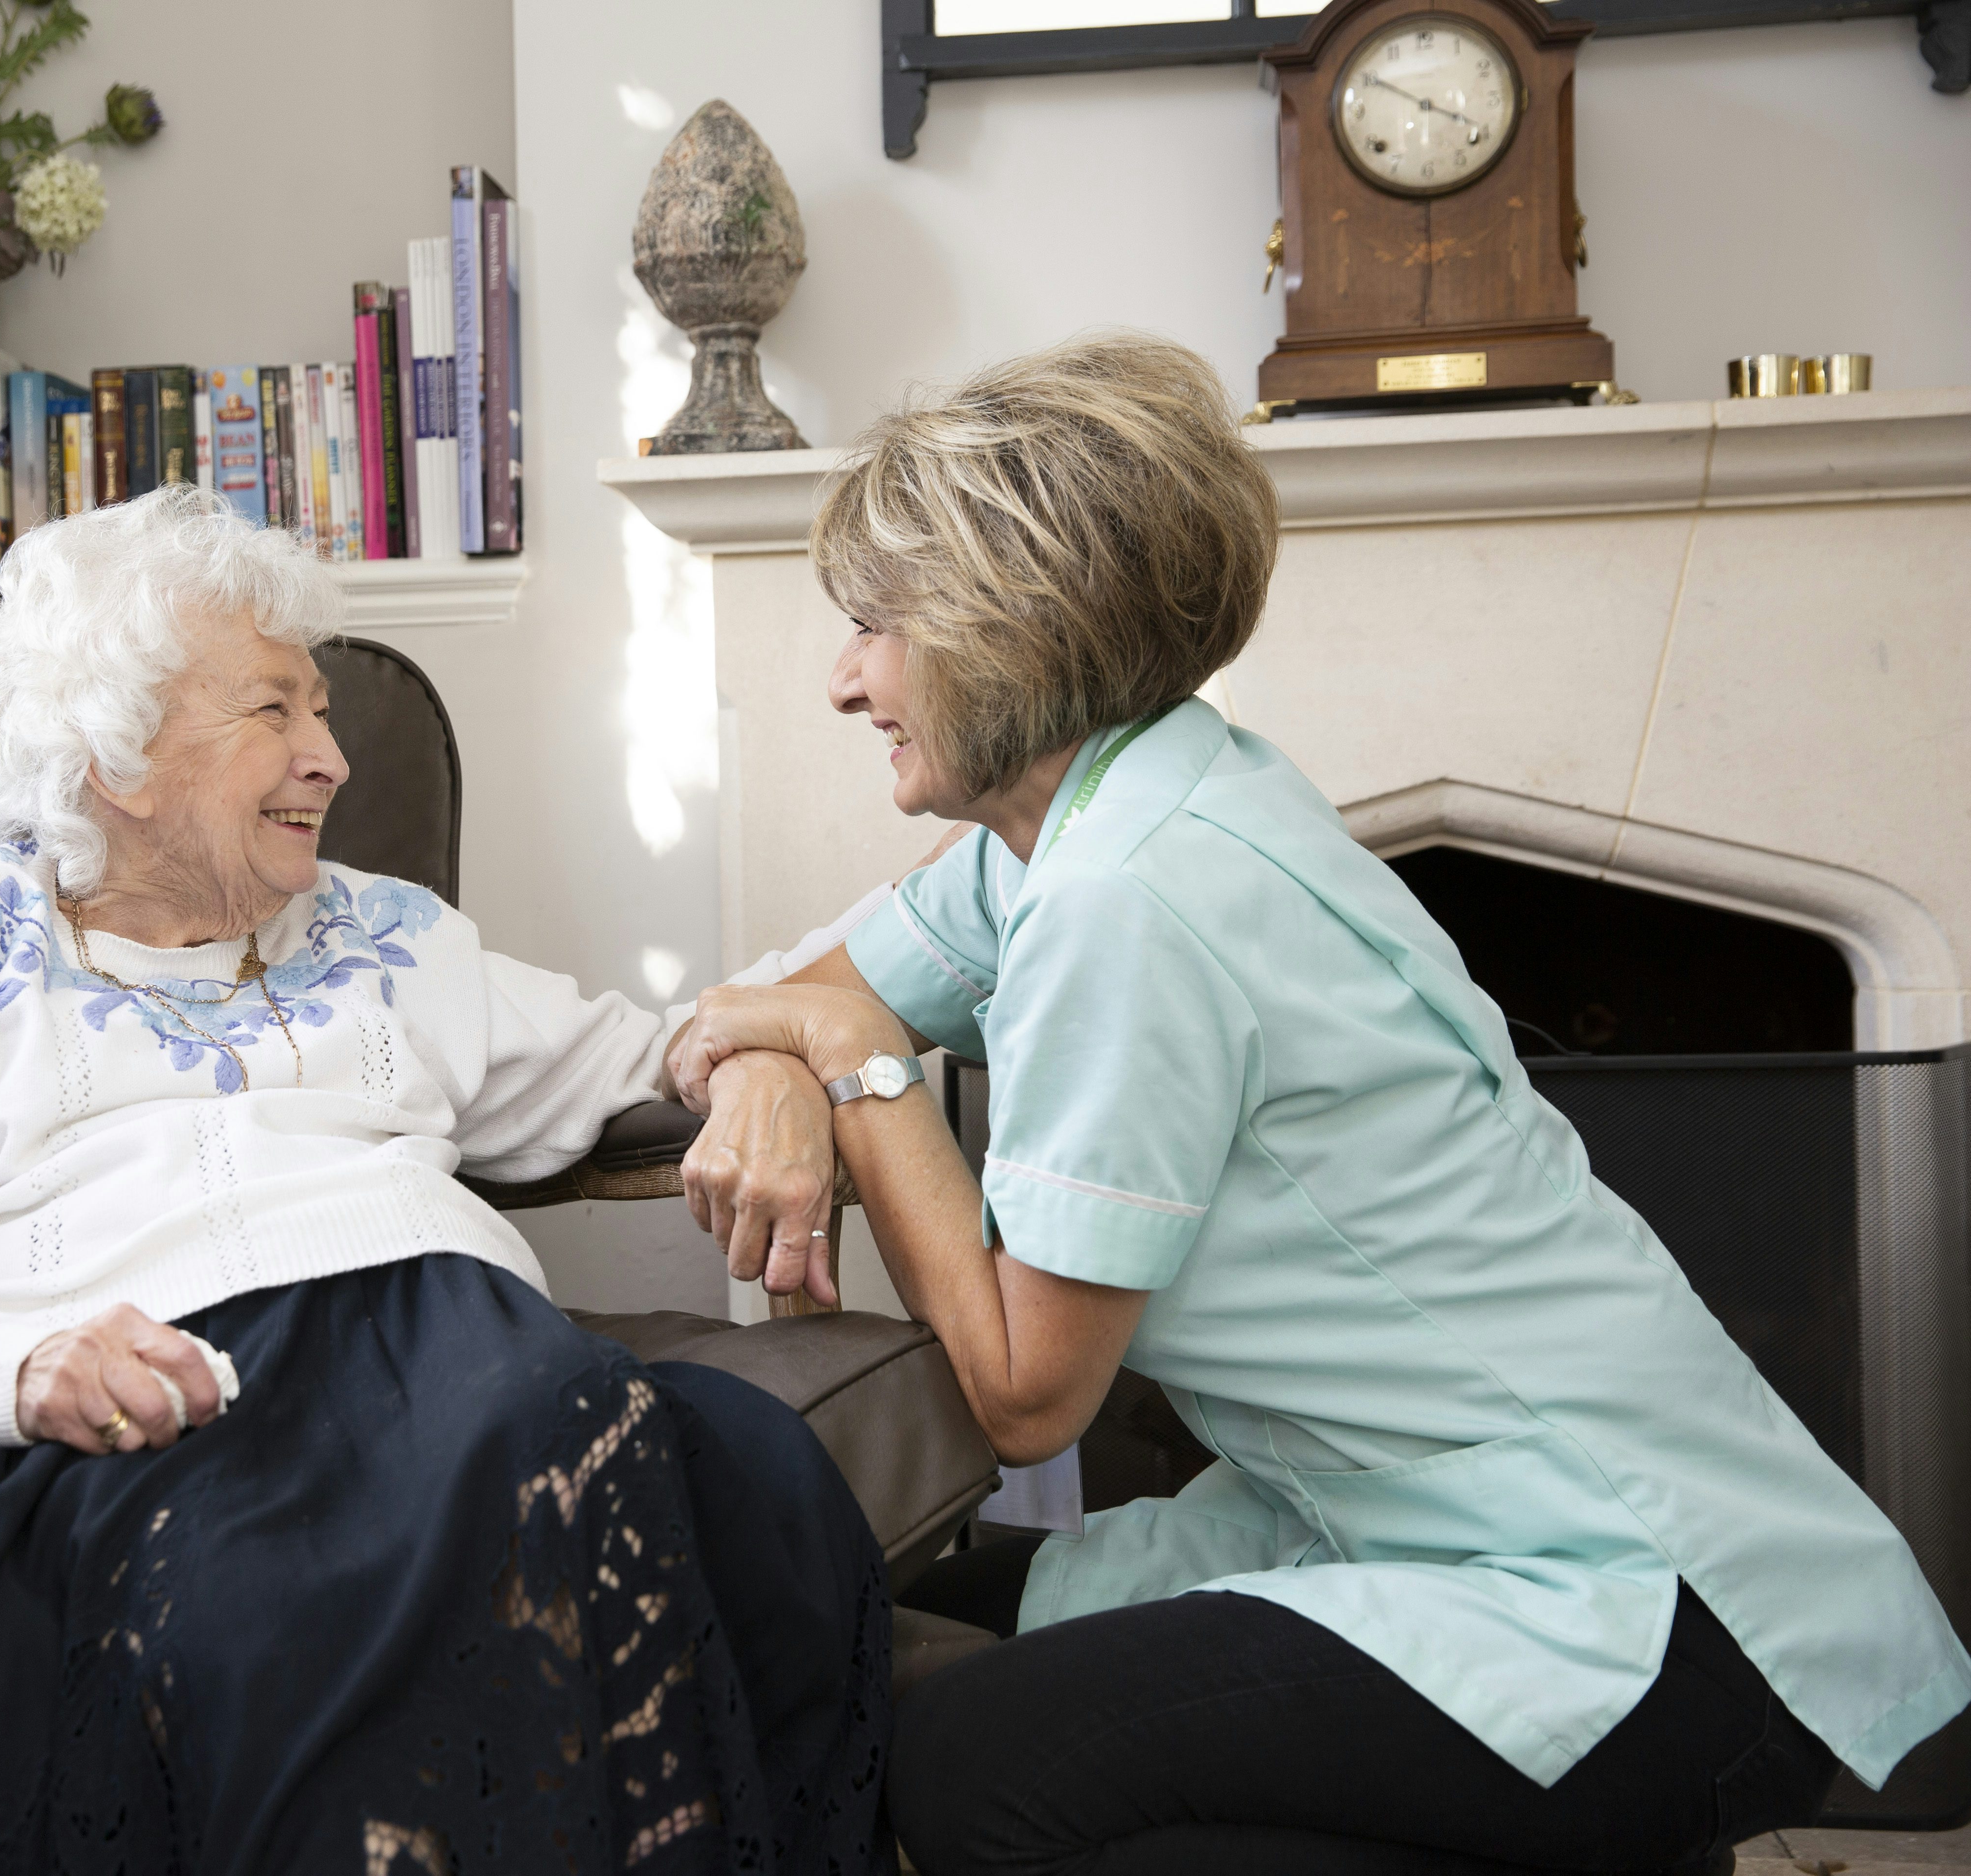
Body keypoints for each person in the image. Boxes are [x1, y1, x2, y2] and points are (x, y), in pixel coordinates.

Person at [669, 334, 1970, 1876]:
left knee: (966, 1776)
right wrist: (781, 1062)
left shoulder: (1130, 893)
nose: (842, 680)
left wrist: (856, 1079)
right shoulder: (1124, 805)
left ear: (1007, 628)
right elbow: (811, 989)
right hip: (1496, 1540)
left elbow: (1027, 1391)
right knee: (904, 1627)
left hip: (1647, 1614)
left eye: (874, 627)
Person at [0, 485, 891, 1876]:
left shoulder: (392, 933)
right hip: (183, 1405)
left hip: (465, 1363)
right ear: (119, 752)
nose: (328, 757)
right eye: (273, 712)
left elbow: (648, 1053)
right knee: (509, 1463)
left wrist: (764, 1066)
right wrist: (26, 1366)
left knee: (754, 1485)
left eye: (321, 712)